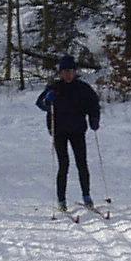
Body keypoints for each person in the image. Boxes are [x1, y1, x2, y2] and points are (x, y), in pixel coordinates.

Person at [35, 55, 100, 210]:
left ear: (75, 71)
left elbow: (94, 105)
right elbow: (40, 103)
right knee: (63, 164)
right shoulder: (54, 88)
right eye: (64, 71)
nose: (67, 74)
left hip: (77, 130)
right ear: (60, 73)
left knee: (81, 163)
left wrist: (94, 120)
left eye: (70, 71)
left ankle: (86, 195)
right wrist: (47, 102)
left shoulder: (82, 88)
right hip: (59, 131)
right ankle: (61, 199)